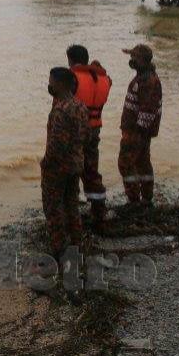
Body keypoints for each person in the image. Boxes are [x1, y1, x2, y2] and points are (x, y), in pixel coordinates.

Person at [42, 67, 88, 258]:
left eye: (51, 81)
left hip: (58, 167)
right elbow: (87, 135)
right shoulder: (80, 106)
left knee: (53, 207)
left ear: (61, 84)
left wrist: (45, 162)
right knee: (72, 205)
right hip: (75, 164)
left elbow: (57, 144)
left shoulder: (61, 109)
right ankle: (77, 243)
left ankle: (59, 248)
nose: (49, 85)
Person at [66, 45, 112, 227]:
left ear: (71, 60)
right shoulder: (103, 78)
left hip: (76, 131)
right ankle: (99, 210)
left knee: (71, 169)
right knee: (91, 169)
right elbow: (108, 79)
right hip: (94, 129)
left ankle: (71, 209)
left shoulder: (71, 78)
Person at [120, 44, 163, 209]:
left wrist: (138, 132)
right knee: (142, 163)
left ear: (144, 60)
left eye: (134, 58)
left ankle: (134, 199)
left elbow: (148, 109)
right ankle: (145, 198)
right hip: (136, 130)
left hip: (136, 131)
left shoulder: (148, 80)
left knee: (125, 163)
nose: (132, 61)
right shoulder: (143, 77)